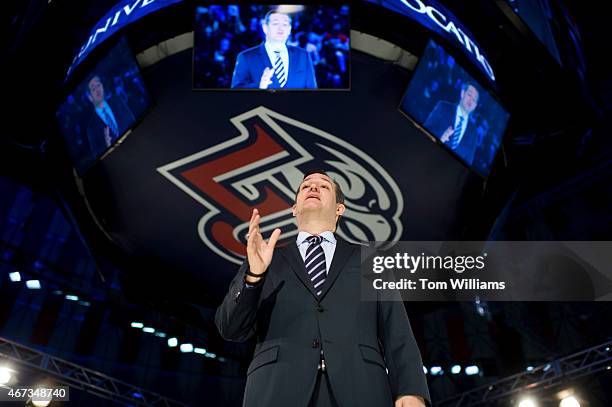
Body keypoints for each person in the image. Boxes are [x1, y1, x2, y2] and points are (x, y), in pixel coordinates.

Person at [215, 170, 430, 406]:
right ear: (294, 208)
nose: (313, 187)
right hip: (276, 391)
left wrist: (411, 391)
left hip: (362, 390)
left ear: (340, 208)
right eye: (306, 185)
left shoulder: (370, 259)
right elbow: (230, 329)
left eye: (324, 186)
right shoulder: (265, 260)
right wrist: (254, 275)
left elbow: (396, 332)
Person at [231, 10, 317, 89]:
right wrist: (260, 86)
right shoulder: (246, 57)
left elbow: (312, 93)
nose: (281, 28)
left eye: (285, 24)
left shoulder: (303, 55)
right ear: (265, 28)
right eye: (275, 24)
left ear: (289, 29)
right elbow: (236, 92)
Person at [423, 82, 480, 165]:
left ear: (475, 106)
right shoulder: (443, 107)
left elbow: (467, 164)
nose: (471, 100)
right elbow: (424, 130)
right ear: (462, 93)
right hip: (426, 156)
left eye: (474, 100)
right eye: (469, 95)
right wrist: (440, 139)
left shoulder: (474, 133)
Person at [86, 75, 135, 157]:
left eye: (98, 85)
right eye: (93, 89)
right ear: (89, 97)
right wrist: (107, 146)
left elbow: (133, 120)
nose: (97, 90)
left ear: (102, 86)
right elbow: (98, 157)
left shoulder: (117, 100)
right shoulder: (91, 128)